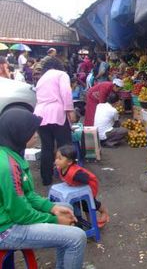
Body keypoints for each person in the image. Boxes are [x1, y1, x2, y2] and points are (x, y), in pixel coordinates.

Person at [0, 108, 87, 268]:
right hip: (6, 230)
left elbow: (28, 195)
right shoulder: (7, 166)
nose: (36, 134)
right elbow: (21, 215)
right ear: (18, 133)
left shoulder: (11, 154)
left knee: (65, 207)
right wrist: (54, 219)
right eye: (31, 131)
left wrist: (52, 208)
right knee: (77, 238)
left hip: (11, 216)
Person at [34, 57, 76, 186]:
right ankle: (69, 177)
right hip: (56, 113)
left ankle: (46, 179)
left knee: (47, 147)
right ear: (59, 65)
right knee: (65, 146)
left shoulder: (41, 79)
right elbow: (66, 93)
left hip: (40, 115)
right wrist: (70, 111)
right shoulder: (61, 74)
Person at [55, 145, 109, 227]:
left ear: (69, 162)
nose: (56, 161)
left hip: (90, 186)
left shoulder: (76, 174)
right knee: (82, 203)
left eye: (60, 159)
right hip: (78, 187)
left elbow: (86, 179)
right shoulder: (60, 168)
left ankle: (103, 211)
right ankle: (91, 222)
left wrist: (77, 186)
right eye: (56, 158)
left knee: (89, 203)